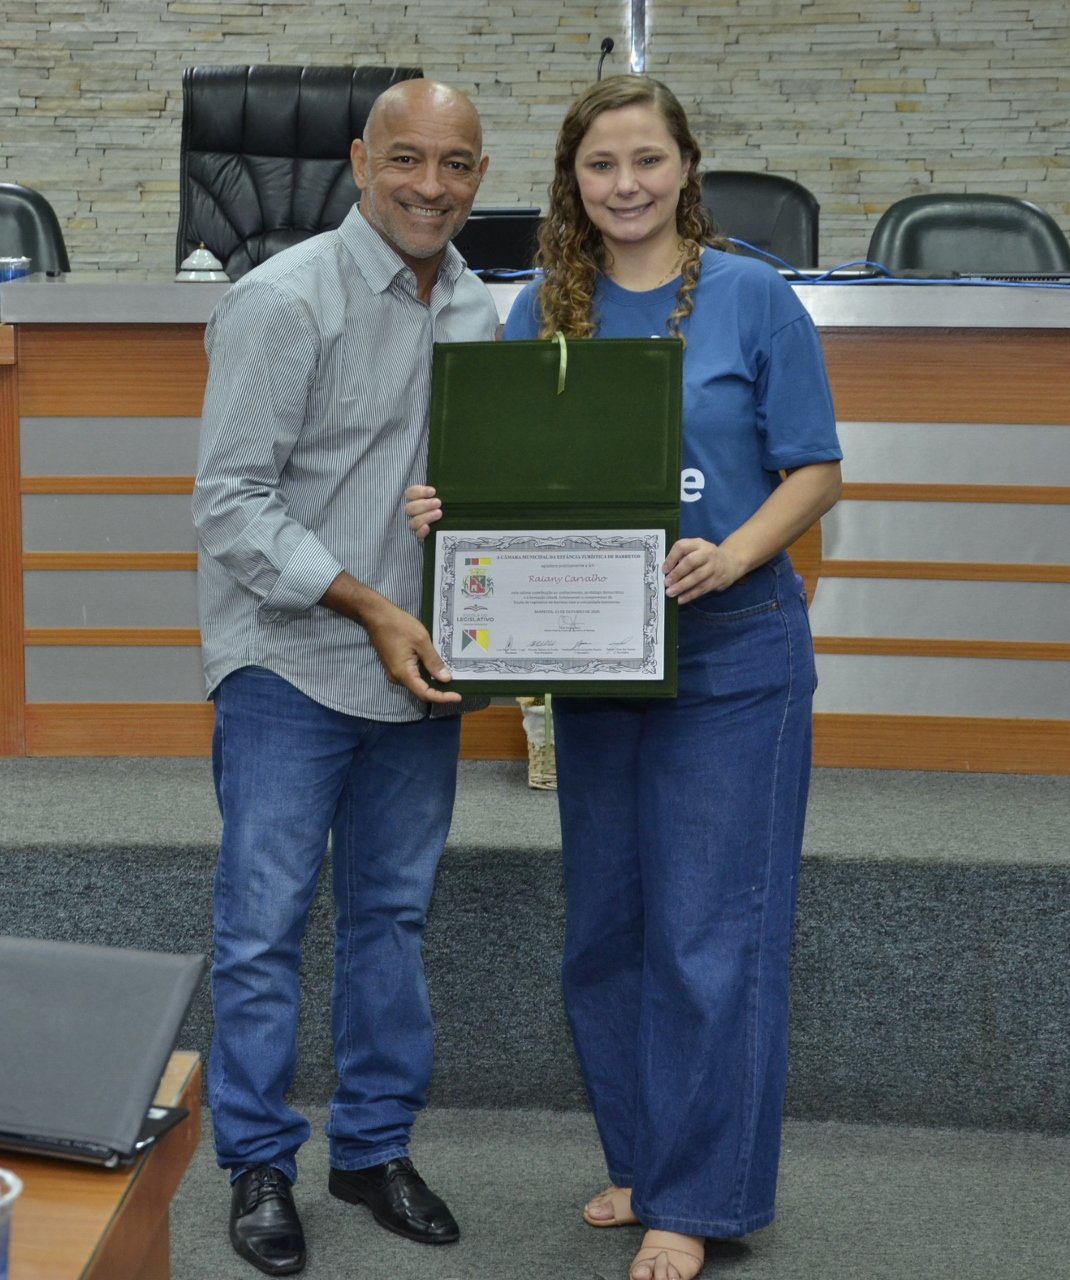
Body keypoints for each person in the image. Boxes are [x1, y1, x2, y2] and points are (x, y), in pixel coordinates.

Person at [407, 76, 842, 1280]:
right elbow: (513, 479)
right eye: (599, 165)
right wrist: (451, 508)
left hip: (733, 649)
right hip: (598, 658)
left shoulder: (753, 296)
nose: (625, 184)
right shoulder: (542, 308)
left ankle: (695, 1198)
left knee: (709, 934)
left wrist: (734, 551)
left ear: (684, 166)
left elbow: (815, 469)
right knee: (606, 932)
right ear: (572, 180)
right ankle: (646, 1160)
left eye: (646, 159)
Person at [192, 78, 497, 1277]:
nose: (430, 185)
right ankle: (257, 1162)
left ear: (480, 177)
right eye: (406, 158)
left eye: (456, 164)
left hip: (417, 665)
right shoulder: (282, 298)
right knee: (262, 925)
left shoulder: (478, 306)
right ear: (361, 161)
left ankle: (370, 1149)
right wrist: (369, 603)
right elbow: (230, 504)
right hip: (289, 660)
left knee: (391, 918)